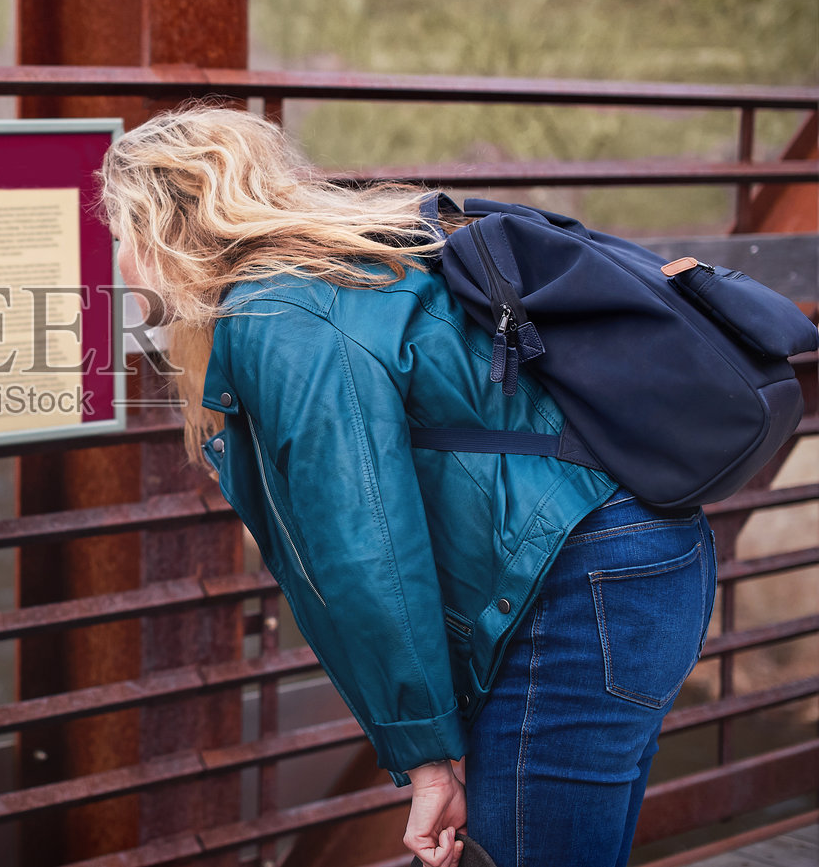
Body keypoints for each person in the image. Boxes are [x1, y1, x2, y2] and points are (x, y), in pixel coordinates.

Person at [96, 107, 716, 867]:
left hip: (575, 589)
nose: (119, 258)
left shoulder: (278, 310)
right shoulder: (358, 259)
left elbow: (364, 542)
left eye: (122, 232)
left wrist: (425, 757)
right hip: (640, 555)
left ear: (165, 227)